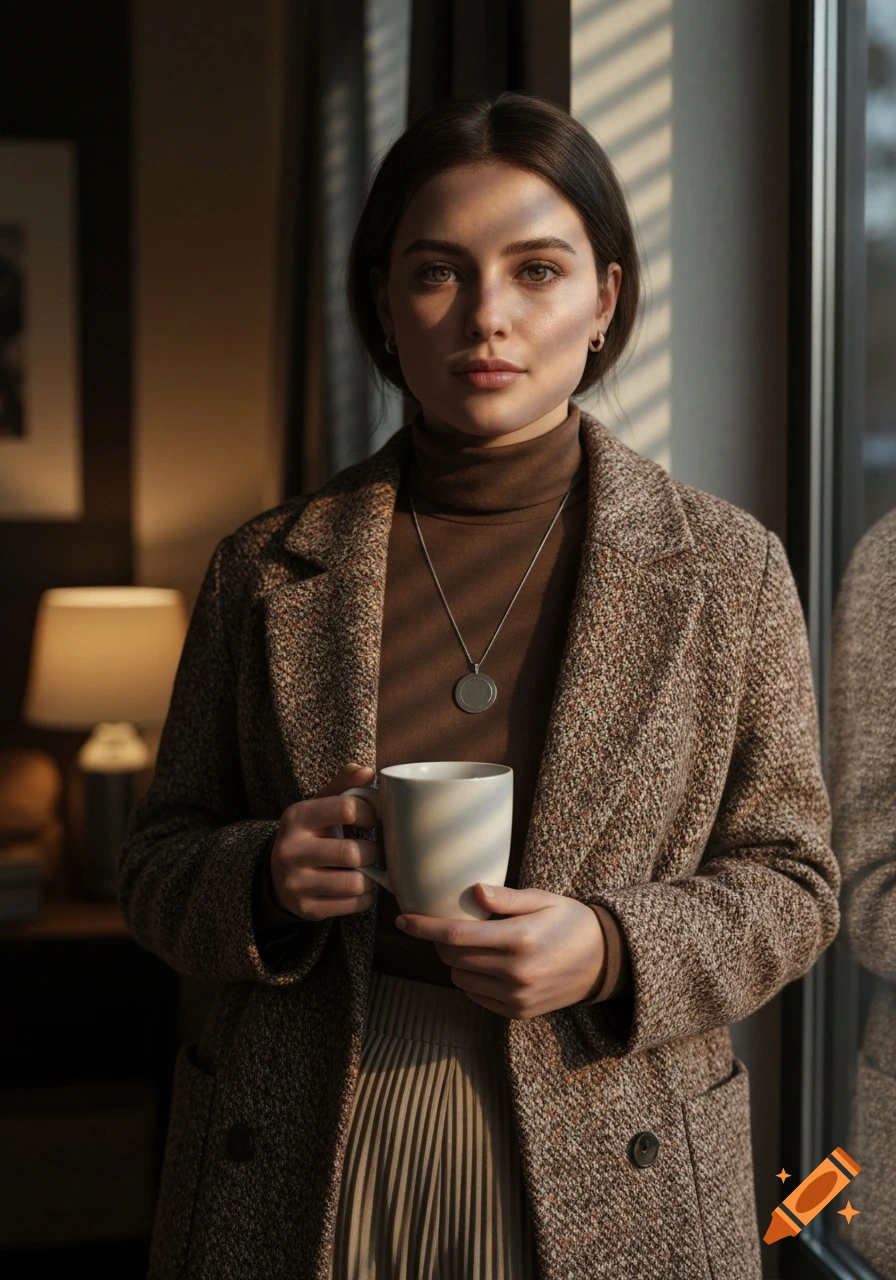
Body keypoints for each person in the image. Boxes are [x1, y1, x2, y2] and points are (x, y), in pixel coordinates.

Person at [119, 91, 841, 1280]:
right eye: (439, 272)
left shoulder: (724, 567)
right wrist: (261, 874)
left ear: (603, 300)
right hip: (310, 1134)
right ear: (384, 305)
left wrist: (611, 945)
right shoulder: (263, 564)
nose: (488, 317)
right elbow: (155, 864)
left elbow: (796, 882)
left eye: (538, 270)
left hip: (615, 1134)